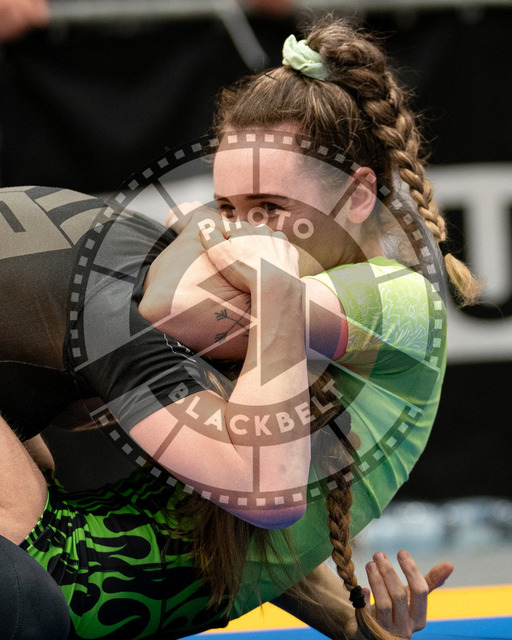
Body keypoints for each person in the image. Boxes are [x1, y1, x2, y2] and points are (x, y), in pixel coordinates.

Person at [0, 15, 476, 640]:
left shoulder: (401, 300)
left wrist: (354, 627)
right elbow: (165, 306)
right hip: (43, 556)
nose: (242, 233)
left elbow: (264, 520)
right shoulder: (278, 321)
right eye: (228, 208)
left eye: (272, 210)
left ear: (357, 196)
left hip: (56, 571)